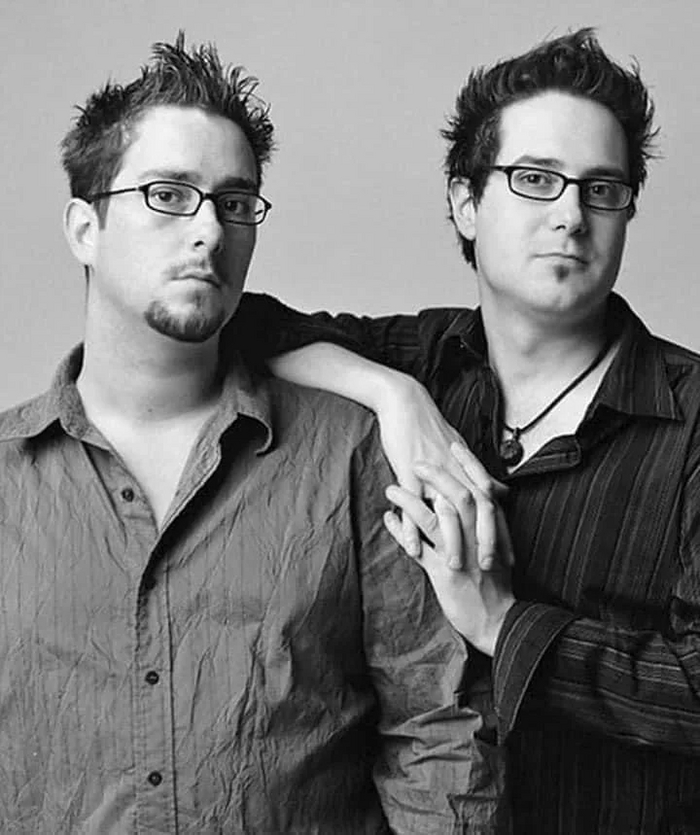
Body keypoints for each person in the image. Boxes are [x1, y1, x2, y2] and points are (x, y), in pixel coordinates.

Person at [0, 34, 508, 833]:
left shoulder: (351, 455)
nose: (209, 230)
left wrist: (393, 392)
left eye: (235, 203)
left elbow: (438, 731)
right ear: (83, 227)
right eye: (168, 194)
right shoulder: (7, 483)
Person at [234, 29, 700, 833]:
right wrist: (395, 395)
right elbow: (236, 325)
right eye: (536, 179)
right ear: (466, 203)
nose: (571, 215)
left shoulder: (692, 419)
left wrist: (502, 622)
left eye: (601, 188)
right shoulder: (426, 357)